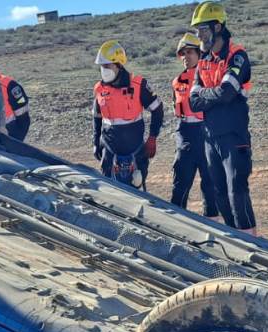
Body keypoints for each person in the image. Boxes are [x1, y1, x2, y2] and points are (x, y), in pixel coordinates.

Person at [188, 1, 256, 235]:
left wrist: (207, 94)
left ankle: (253, 243)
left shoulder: (237, 56)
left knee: (237, 190)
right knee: (219, 192)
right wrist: (214, 93)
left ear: (217, 27)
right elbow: (193, 101)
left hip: (233, 135)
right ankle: (236, 240)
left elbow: (228, 93)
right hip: (210, 136)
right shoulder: (204, 61)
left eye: (202, 29)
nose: (199, 35)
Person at [92, 40, 164, 190]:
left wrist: (152, 137)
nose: (103, 70)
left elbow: (157, 109)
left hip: (135, 152)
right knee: (109, 193)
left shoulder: (138, 85)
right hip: (109, 151)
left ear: (118, 64)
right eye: (101, 66)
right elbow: (97, 117)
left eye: (107, 65)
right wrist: (95, 141)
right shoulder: (99, 89)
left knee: (137, 193)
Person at [170, 33, 218, 218]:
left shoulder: (211, 77)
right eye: (183, 53)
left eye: (190, 52)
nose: (185, 57)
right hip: (185, 132)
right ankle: (176, 222)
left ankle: (213, 225)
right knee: (180, 180)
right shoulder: (176, 82)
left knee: (210, 183)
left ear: (200, 53)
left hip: (207, 132)